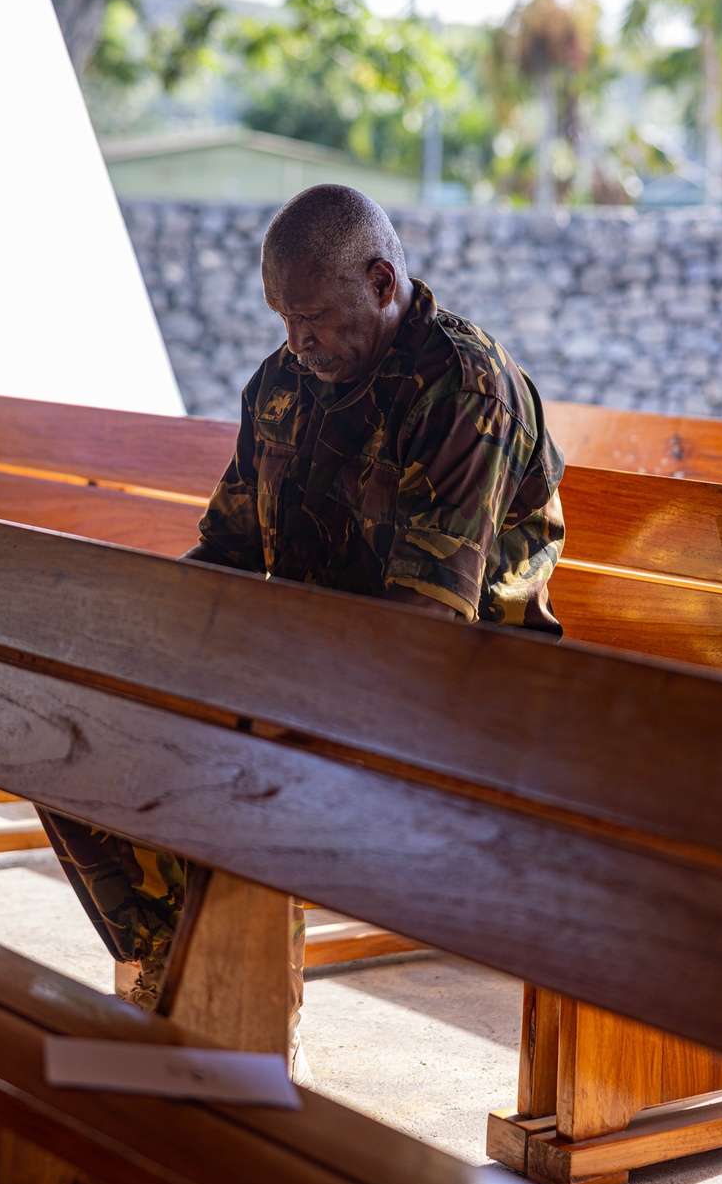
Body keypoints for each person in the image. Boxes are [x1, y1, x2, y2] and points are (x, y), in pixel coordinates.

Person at [40, 183, 565, 1080]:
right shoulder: (283, 386)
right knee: (65, 718)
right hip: (307, 669)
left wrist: (255, 674)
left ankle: (232, 1018)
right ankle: (191, 977)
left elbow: (426, 627)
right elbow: (229, 552)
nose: (295, 339)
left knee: (240, 753)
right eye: (282, 314)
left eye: (313, 314)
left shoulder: (464, 388)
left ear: (381, 279)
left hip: (468, 703)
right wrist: (131, 631)